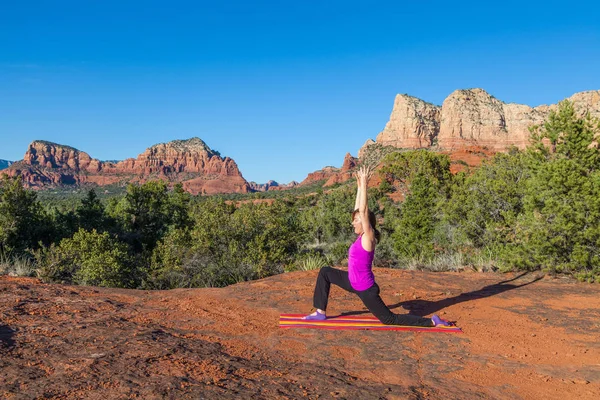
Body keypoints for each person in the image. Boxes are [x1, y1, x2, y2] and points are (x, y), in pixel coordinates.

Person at [303, 165, 451, 327]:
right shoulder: (360, 236)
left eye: (356, 220)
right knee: (325, 272)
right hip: (352, 281)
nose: (353, 222)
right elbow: (358, 210)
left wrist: (366, 185)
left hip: (365, 289)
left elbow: (364, 211)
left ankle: (432, 322)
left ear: (366, 224)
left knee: (389, 320)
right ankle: (320, 313)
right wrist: (359, 187)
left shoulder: (368, 237)